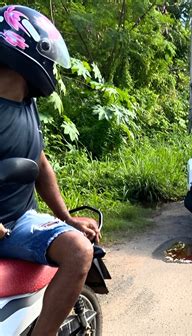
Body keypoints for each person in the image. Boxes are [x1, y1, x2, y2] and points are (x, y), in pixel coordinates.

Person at [0, 5, 100, 336]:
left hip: (19, 221)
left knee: (80, 251)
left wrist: (66, 217)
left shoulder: (27, 104)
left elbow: (40, 164)